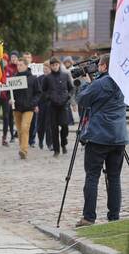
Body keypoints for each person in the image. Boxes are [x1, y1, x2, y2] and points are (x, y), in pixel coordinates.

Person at [75, 54, 129, 227]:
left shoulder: (100, 83)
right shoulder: (124, 82)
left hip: (99, 137)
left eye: (99, 65)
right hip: (119, 137)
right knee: (114, 178)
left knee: (92, 177)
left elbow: (82, 99)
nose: (97, 68)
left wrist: (85, 82)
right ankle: (114, 217)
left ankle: (89, 217)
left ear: (105, 67)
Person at [42, 57, 73, 157]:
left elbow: (71, 88)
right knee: (54, 128)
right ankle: (56, 150)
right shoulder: (47, 78)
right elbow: (43, 91)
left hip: (63, 105)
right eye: (53, 65)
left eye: (56, 65)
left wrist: (68, 97)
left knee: (64, 126)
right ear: (50, 66)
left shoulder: (65, 75)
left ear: (59, 65)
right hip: (52, 106)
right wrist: (49, 97)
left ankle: (64, 143)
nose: (55, 67)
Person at [11, 57, 41, 159]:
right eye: (17, 65)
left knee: (25, 127)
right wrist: (10, 99)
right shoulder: (14, 77)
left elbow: (38, 93)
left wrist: (33, 103)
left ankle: (24, 150)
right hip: (17, 108)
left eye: (21, 65)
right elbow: (9, 92)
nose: (18, 67)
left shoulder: (33, 78)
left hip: (29, 108)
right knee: (19, 130)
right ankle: (22, 148)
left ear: (26, 66)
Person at [23, 52, 38, 148]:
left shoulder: (36, 69)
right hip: (23, 98)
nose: (27, 59)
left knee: (33, 121)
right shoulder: (20, 68)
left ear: (31, 58)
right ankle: (24, 139)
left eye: (28, 57)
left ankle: (32, 140)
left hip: (33, 97)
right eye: (25, 58)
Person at [37, 61, 52, 150]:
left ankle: (49, 143)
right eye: (44, 68)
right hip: (41, 104)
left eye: (47, 68)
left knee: (49, 125)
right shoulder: (39, 79)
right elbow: (36, 93)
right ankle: (40, 140)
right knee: (41, 124)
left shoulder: (53, 78)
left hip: (50, 104)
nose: (45, 70)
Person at [6, 51, 19, 143]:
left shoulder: (20, 67)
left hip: (19, 95)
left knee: (19, 115)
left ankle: (18, 132)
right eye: (12, 57)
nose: (13, 59)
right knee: (10, 116)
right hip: (10, 95)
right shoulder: (8, 68)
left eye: (15, 57)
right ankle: (11, 135)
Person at [63, 56, 77, 125]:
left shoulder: (73, 69)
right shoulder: (64, 70)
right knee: (68, 104)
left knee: (71, 100)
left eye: (68, 62)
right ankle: (70, 120)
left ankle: (71, 120)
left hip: (73, 86)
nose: (67, 63)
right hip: (66, 87)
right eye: (66, 62)